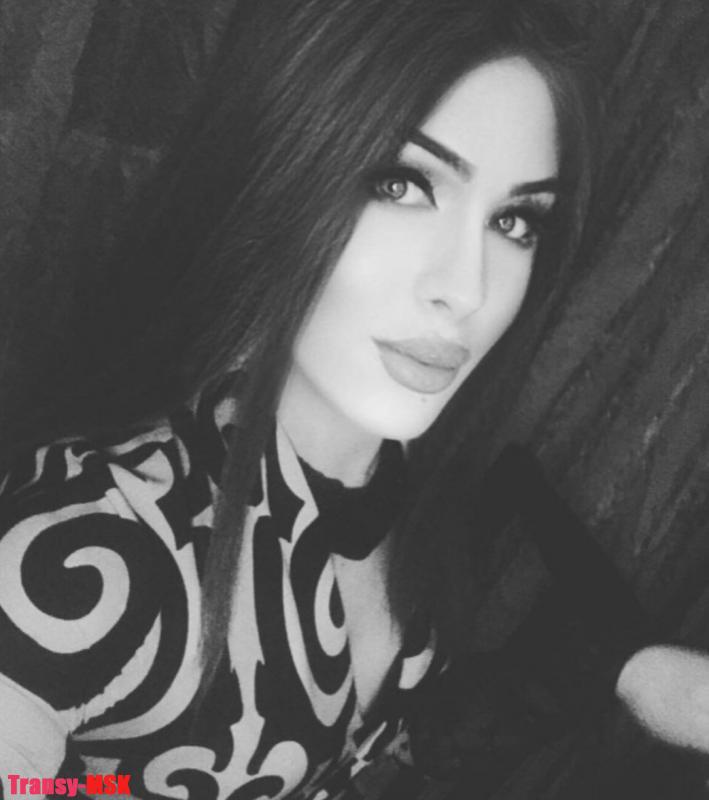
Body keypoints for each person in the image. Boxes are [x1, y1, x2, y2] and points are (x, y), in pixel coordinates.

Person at [0, 1, 610, 798]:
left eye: (515, 221)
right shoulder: (79, 555)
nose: (466, 290)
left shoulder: (407, 488)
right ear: (279, 170)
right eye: (402, 184)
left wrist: (633, 669)